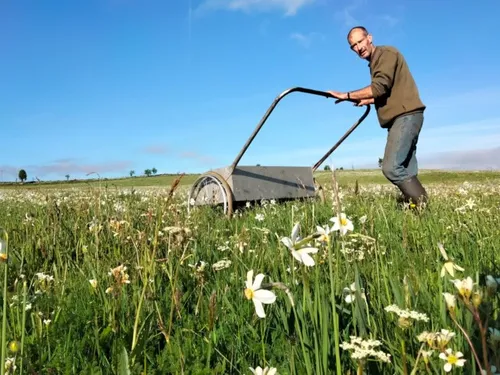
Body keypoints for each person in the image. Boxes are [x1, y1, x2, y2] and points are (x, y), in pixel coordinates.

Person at [327, 26, 428, 208]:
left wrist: (346, 95)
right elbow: (387, 91)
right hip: (405, 116)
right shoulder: (376, 61)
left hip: (405, 116)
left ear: (370, 38)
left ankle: (424, 208)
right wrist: (368, 100)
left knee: (391, 168)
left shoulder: (385, 54)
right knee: (407, 169)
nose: (358, 47)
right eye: (353, 46)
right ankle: (417, 214)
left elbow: (380, 87)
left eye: (360, 41)